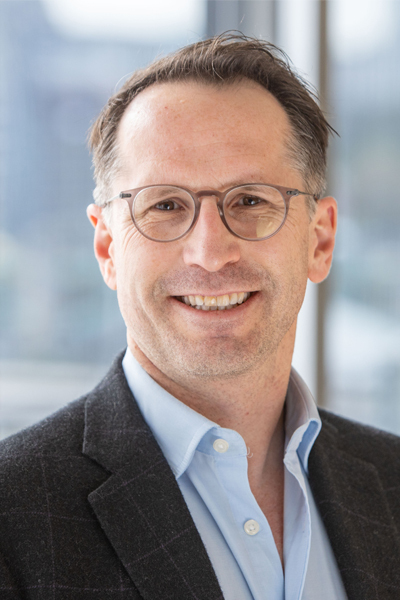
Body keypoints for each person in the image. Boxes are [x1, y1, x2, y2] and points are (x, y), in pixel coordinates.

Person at [1, 33, 399, 600]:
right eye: (164, 205)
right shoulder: (12, 516)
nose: (210, 253)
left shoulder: (391, 483)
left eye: (251, 200)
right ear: (108, 248)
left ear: (320, 239)